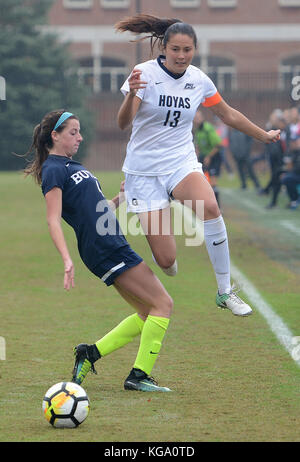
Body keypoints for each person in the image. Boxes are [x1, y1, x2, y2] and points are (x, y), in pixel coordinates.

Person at [115, 14, 281, 317]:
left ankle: (224, 291)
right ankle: (159, 237)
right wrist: (133, 95)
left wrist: (263, 135)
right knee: (167, 262)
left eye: (187, 50)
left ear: (195, 50)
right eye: (175, 49)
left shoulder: (199, 80)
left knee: (210, 207)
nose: (181, 56)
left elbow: (228, 115)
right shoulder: (143, 73)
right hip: (143, 172)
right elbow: (123, 124)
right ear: (163, 48)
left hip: (181, 162)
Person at [24, 109, 174, 392]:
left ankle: (89, 354)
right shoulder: (53, 170)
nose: (80, 137)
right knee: (163, 304)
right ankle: (138, 376)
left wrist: (121, 197)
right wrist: (67, 260)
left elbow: (97, 210)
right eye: (73, 132)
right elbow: (52, 219)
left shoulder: (71, 166)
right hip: (104, 246)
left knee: (147, 312)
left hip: (108, 243)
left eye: (79, 131)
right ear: (54, 136)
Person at [193, 109, 223, 206]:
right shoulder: (197, 130)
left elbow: (218, 145)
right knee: (201, 179)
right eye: (195, 118)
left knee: (213, 181)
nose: (197, 119)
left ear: (202, 118)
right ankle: (204, 203)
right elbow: (198, 145)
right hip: (204, 156)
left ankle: (217, 205)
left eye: (199, 117)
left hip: (214, 156)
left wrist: (209, 157)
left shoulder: (207, 128)